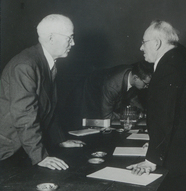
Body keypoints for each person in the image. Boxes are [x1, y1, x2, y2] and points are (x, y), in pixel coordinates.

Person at [0, 14, 85, 171]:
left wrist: (60, 139)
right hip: (7, 150)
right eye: (70, 38)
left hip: (24, 147)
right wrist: (40, 156)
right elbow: (24, 115)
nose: (73, 43)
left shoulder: (45, 62)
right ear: (52, 38)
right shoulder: (26, 65)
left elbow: (47, 108)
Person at [127, 20, 186, 191]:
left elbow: (164, 115)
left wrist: (151, 159)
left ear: (157, 43)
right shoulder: (181, 58)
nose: (141, 48)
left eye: (144, 42)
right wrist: (156, 143)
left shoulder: (168, 68)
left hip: (179, 162)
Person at [81, 60, 153, 121]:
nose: (147, 87)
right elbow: (107, 117)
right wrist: (129, 117)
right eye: (146, 84)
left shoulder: (133, 74)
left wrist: (143, 112)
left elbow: (132, 97)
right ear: (135, 78)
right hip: (91, 90)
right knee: (97, 120)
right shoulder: (112, 86)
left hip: (108, 88)